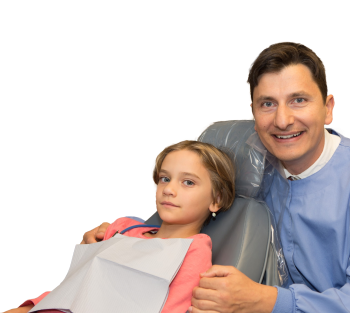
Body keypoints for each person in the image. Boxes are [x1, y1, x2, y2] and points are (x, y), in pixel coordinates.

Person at [78, 41, 349, 313]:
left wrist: (268, 301)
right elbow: (190, 202)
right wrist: (125, 231)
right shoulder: (253, 164)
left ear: (328, 107)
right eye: (267, 103)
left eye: (298, 100)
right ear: (253, 111)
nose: (282, 120)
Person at [9, 140, 236, 313]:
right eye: (165, 178)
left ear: (216, 199)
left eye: (188, 182)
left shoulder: (194, 249)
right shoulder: (123, 228)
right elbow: (76, 283)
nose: (169, 189)